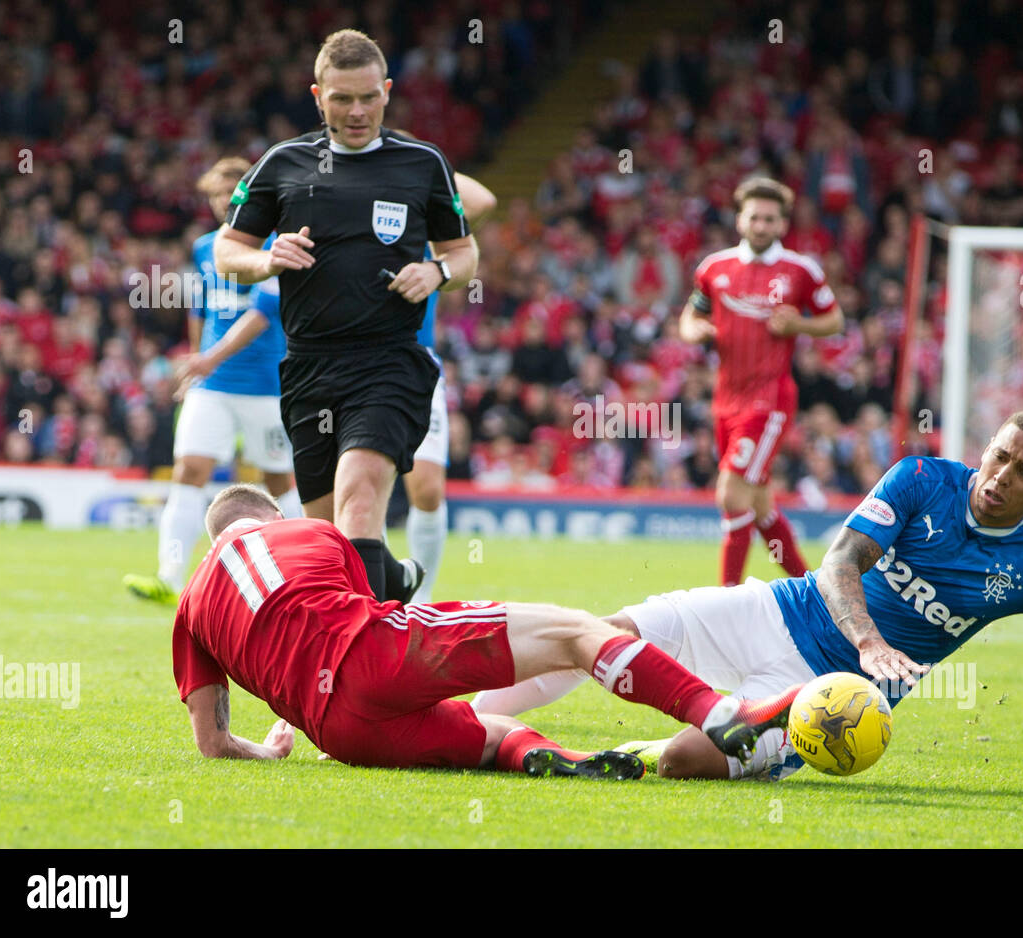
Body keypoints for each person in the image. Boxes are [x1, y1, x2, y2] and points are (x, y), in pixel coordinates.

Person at [474, 412, 1023, 799]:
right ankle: (467, 721)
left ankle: (606, 759)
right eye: (998, 458)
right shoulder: (922, 477)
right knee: (608, 633)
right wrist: (867, 640)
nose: (999, 478)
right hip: (776, 611)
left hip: (830, 699)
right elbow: (841, 561)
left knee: (685, 763)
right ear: (984, 449)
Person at [173, 483, 801, 778]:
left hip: (339, 732)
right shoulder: (308, 530)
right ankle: (717, 712)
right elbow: (364, 620)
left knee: (490, 735)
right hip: (377, 655)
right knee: (574, 632)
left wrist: (270, 749)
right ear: (270, 516)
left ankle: (580, 762)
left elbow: (213, 741)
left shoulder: (191, 608)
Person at [214, 28, 477, 603]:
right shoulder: (283, 164)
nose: (357, 112)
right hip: (309, 367)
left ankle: (376, 675)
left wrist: (437, 272)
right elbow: (225, 251)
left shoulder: (422, 163)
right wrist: (264, 260)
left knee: (360, 494)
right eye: (341, 99)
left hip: (389, 363)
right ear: (317, 95)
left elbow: (464, 251)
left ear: (386, 91)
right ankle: (394, 589)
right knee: (327, 544)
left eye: (368, 97)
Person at [125, 157, 301, 606]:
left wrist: (208, 359)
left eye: (233, 192)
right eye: (217, 194)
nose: (225, 200)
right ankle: (168, 577)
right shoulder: (207, 247)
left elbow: (264, 314)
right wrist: (194, 366)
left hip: (266, 385)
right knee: (189, 470)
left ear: (248, 195)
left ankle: (302, 575)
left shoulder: (274, 245)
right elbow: (201, 312)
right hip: (212, 386)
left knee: (278, 479)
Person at [678, 176, 844, 586]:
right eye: (755, 217)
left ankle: (725, 600)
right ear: (740, 220)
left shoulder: (799, 271)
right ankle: (816, 592)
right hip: (725, 400)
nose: (762, 225)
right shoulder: (714, 268)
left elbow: (835, 320)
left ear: (782, 225)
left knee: (731, 496)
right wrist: (693, 331)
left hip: (767, 401)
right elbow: (690, 315)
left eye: (770, 219)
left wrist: (801, 323)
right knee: (761, 506)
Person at [401, 171, 496, 601]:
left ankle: (420, 600)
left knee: (426, 489)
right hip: (353, 364)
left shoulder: (422, 226)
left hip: (416, 364)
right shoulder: (352, 214)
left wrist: (420, 162)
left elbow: (482, 199)